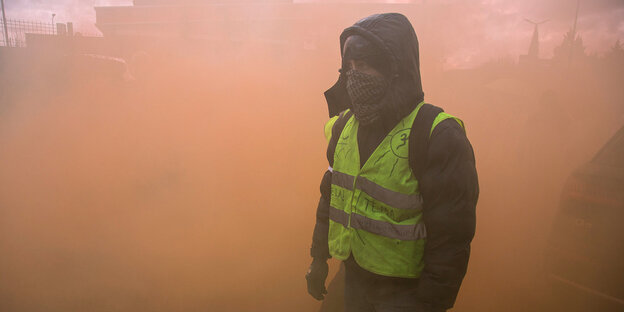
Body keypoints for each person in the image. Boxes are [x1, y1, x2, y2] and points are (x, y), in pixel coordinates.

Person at [305, 13, 479, 312]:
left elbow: (451, 237)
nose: (354, 75)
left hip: (405, 294)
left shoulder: (437, 135)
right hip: (352, 278)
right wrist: (319, 258)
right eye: (350, 67)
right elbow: (331, 197)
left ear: (394, 70)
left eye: (365, 65)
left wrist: (430, 302)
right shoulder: (344, 126)